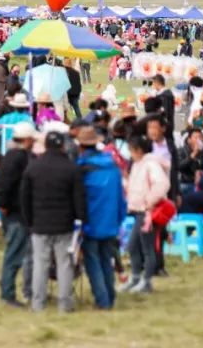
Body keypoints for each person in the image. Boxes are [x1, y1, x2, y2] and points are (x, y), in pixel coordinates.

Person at [20, 130, 86, 312]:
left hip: (39, 224)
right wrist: (80, 220)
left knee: (40, 264)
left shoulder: (33, 167)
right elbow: (79, 198)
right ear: (63, 146)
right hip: (64, 225)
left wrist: (29, 221)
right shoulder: (71, 168)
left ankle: (37, 303)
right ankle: (65, 303)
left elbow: (24, 198)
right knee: (64, 264)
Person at [75, 125, 125, 310]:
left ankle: (102, 300)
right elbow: (121, 196)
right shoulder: (112, 165)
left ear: (80, 146)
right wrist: (119, 217)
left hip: (91, 222)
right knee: (107, 260)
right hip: (111, 220)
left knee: (93, 262)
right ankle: (110, 297)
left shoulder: (81, 169)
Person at [0, 121, 36, 308]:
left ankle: (11, 290)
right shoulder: (17, 158)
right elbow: (1, 185)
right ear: (27, 139)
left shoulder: (14, 156)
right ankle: (7, 293)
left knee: (17, 253)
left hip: (15, 211)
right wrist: (4, 205)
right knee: (14, 255)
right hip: (16, 213)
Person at [122, 134, 167, 294]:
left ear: (138, 150)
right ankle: (136, 278)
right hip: (138, 210)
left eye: (131, 151)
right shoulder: (137, 164)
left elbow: (161, 185)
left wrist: (149, 201)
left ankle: (146, 281)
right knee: (134, 246)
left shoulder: (150, 164)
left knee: (146, 247)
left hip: (147, 212)